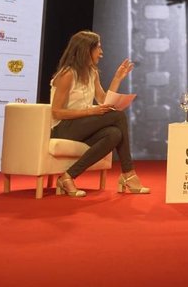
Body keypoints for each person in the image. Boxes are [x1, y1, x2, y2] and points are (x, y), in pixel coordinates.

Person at [50, 30, 149, 197]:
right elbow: (57, 112)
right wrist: (90, 111)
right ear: (85, 50)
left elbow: (103, 99)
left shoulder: (92, 72)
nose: (101, 53)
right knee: (117, 116)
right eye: (98, 48)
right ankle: (128, 173)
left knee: (114, 134)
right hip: (63, 128)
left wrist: (117, 78)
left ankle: (68, 176)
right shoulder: (67, 74)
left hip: (82, 126)